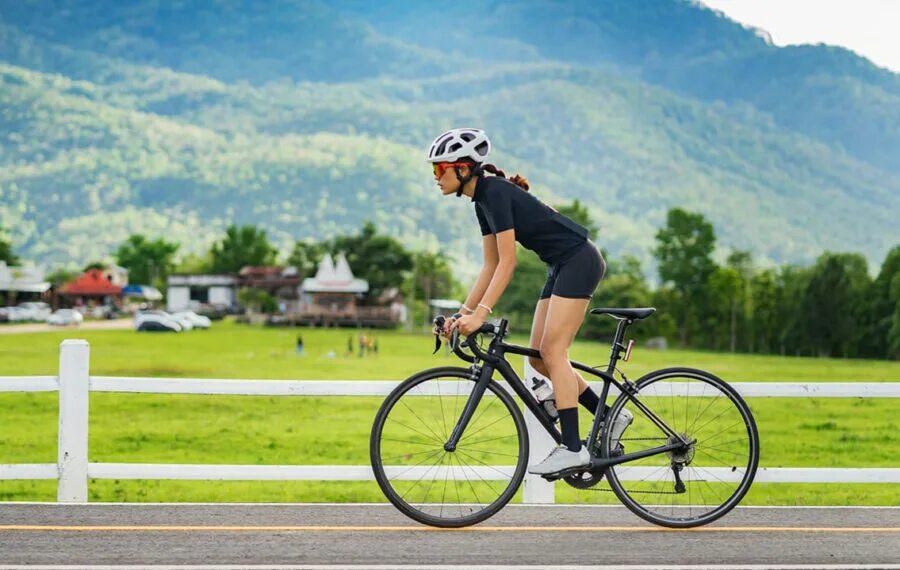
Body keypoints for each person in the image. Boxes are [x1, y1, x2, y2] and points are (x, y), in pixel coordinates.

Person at [429, 127, 631, 476]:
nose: (435, 178)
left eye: (438, 170)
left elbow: (509, 263)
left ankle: (573, 449)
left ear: (462, 168)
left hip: (579, 260)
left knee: (554, 352)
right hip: (561, 264)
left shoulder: (494, 193)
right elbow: (489, 265)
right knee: (540, 359)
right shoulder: (481, 202)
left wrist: (481, 315)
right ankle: (611, 415)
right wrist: (460, 315)